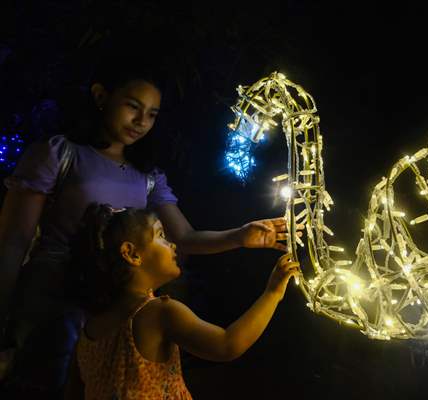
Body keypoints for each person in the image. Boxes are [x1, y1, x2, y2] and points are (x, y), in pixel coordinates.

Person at [0, 53, 290, 397]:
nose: (141, 121)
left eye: (152, 114)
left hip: (109, 304)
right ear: (100, 96)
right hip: (53, 299)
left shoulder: (147, 175)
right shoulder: (60, 154)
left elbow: (184, 237)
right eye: (133, 106)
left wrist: (240, 236)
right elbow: (14, 240)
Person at [62, 203, 299, 399]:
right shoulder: (159, 313)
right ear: (132, 254)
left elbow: (74, 390)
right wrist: (273, 293)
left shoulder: (90, 326)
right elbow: (227, 345)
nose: (172, 244)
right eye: (161, 236)